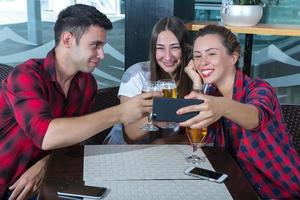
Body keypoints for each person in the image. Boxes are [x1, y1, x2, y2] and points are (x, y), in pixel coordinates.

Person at [0, 4, 157, 200]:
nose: (101, 55)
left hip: (47, 181)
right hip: (6, 183)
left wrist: (45, 163)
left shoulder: (86, 84)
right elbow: (46, 135)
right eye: (95, 45)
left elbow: (71, 141)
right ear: (68, 39)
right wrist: (120, 112)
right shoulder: (26, 76)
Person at [178, 24, 300, 198]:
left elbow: (255, 118)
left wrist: (223, 106)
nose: (202, 62)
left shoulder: (259, 89)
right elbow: (200, 141)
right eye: (197, 56)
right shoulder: (212, 92)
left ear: (233, 57)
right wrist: (197, 85)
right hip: (236, 186)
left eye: (211, 54)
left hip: (277, 190)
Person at [107, 16, 193, 144]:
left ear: (185, 48)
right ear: (153, 50)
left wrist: (162, 142)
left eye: (175, 47)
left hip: (163, 152)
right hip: (120, 151)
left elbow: (198, 134)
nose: (168, 57)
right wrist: (154, 118)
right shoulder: (137, 74)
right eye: (160, 48)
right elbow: (130, 135)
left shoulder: (193, 77)